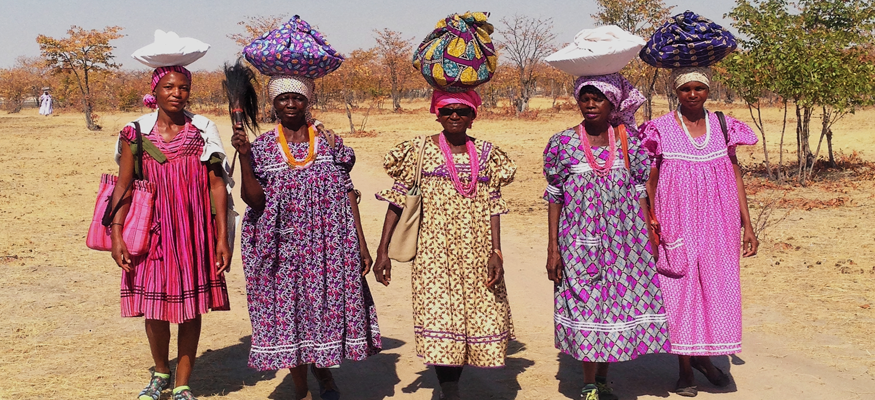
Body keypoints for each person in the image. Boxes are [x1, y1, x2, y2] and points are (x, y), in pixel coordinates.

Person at [232, 75, 381, 400]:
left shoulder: (329, 143)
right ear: (273, 103)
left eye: (296, 98)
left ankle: (325, 377)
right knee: (290, 318)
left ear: (307, 101)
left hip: (327, 247)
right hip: (279, 248)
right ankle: (302, 390)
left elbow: (346, 193)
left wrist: (361, 245)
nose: (289, 103)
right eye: (282, 98)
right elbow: (253, 200)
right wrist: (244, 155)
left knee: (319, 314)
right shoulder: (262, 147)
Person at [373, 90, 516, 400]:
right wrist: (382, 250)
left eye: (462, 111)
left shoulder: (489, 154)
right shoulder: (418, 150)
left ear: (473, 116)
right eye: (447, 110)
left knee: (476, 317)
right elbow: (398, 200)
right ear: (436, 114)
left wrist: (497, 251)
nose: (454, 116)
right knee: (440, 318)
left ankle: (453, 384)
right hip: (433, 252)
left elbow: (493, 204)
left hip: (477, 252)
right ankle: (449, 391)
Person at [543, 74, 671, 400]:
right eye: (584, 98)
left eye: (597, 98)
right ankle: (588, 383)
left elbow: (642, 190)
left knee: (615, 307)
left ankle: (602, 378)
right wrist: (553, 247)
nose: (589, 104)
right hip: (577, 243)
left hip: (624, 243)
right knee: (585, 307)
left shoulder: (629, 142)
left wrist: (648, 238)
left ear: (611, 103)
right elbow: (555, 194)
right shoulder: (562, 144)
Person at [110, 65, 232, 400]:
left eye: (183, 87)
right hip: (152, 231)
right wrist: (116, 234)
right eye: (169, 87)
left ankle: (182, 383)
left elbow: (216, 184)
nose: (177, 93)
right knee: (154, 307)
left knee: (190, 307)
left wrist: (222, 237)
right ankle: (161, 372)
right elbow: (124, 185)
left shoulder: (202, 130)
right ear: (156, 91)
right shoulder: (134, 133)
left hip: (194, 231)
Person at [640, 67, 759, 397]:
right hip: (676, 220)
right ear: (676, 92)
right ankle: (684, 369)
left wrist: (747, 224)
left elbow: (735, 177)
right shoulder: (660, 128)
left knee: (716, 288)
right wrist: (651, 217)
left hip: (719, 223)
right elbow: (650, 178)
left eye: (699, 88)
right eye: (685, 89)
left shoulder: (723, 126)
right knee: (681, 290)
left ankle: (705, 360)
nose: (693, 94)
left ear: (708, 91)